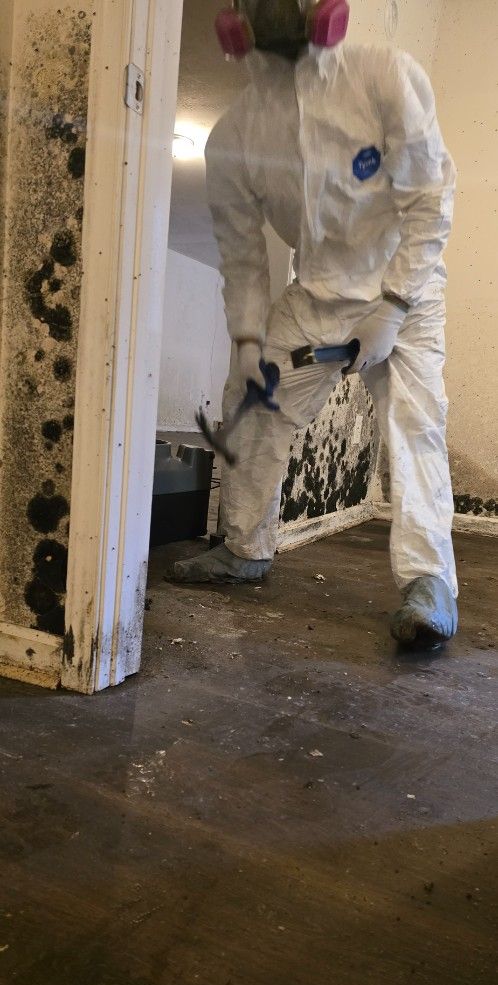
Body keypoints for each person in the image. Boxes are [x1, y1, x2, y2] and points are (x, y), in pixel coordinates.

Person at [174, 0, 459, 645]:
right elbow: (245, 263)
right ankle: (243, 547)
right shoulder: (234, 138)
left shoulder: (385, 77)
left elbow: (430, 202)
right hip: (314, 297)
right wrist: (248, 344)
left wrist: (393, 306)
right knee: (251, 404)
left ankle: (429, 585)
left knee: (414, 424)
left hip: (402, 289)